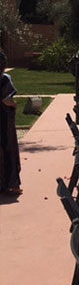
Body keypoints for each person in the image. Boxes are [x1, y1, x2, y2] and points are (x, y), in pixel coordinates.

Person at [0, 50, 22, 195]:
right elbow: (7, 99)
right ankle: (11, 184)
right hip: (3, 119)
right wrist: (14, 105)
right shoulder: (4, 79)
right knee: (8, 149)